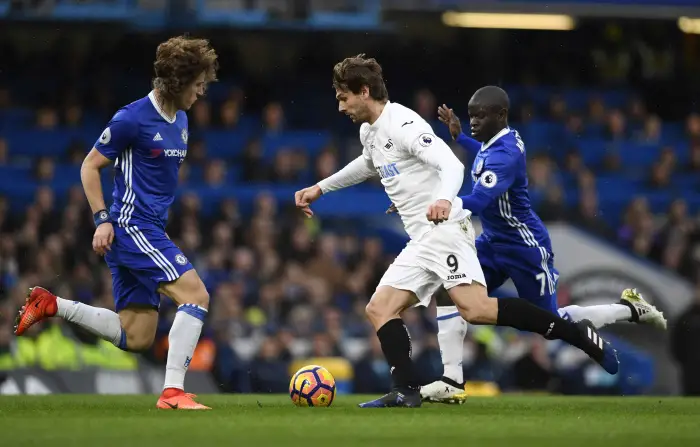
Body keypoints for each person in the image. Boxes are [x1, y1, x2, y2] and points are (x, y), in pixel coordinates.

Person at [294, 56, 619, 409]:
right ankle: (406, 390)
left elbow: (452, 164)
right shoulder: (370, 131)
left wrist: (445, 201)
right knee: (380, 307)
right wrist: (320, 188)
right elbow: (368, 163)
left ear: (365, 91)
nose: (340, 106)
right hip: (422, 239)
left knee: (475, 309)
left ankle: (577, 333)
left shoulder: (403, 123)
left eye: (344, 98)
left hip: (445, 232)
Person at [402, 86, 666, 404]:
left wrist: (440, 203)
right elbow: (482, 155)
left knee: (548, 321)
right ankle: (451, 380)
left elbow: (480, 199)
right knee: (450, 289)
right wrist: (461, 138)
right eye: (471, 115)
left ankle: (628, 309)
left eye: (480, 116)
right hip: (492, 242)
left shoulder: (505, 155)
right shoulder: (496, 141)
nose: (473, 121)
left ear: (501, 115)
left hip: (524, 247)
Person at [13, 36, 218, 410]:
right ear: (178, 82)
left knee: (136, 336)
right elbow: (89, 166)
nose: (202, 90)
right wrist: (102, 219)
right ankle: (173, 392)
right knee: (197, 296)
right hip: (132, 227)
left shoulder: (182, 119)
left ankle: (52, 305)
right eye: (198, 83)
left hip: (149, 227)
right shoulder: (132, 118)